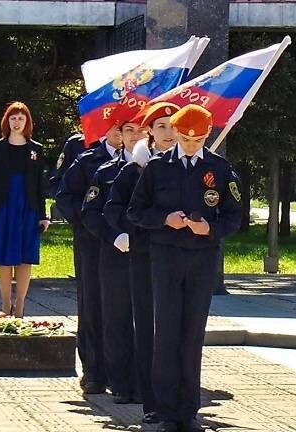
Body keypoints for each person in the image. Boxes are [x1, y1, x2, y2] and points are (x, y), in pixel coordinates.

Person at [127, 104, 244, 432]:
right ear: (176, 132)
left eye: (198, 140)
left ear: (207, 135)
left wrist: (211, 228)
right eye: (186, 138)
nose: (191, 144)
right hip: (165, 256)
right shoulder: (157, 168)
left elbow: (235, 215)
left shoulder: (219, 168)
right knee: (166, 332)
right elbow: (136, 211)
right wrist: (164, 219)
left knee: (193, 333)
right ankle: (166, 412)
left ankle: (188, 411)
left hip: (202, 257)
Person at [105, 101, 178, 425]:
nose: (168, 131)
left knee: (177, 329)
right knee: (148, 328)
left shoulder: (186, 165)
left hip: (179, 256)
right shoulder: (134, 168)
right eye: (161, 126)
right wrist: (120, 235)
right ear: (149, 131)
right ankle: (152, 400)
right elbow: (114, 207)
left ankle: (179, 397)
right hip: (144, 256)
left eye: (173, 125)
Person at [82, 112, 147, 405]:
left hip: (151, 255)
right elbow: (91, 212)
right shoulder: (106, 171)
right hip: (116, 254)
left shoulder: (157, 170)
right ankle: (120, 383)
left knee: (147, 320)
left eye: (139, 130)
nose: (134, 135)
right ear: (120, 134)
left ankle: (145, 381)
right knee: (117, 318)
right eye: (128, 130)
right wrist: (114, 236)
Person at [55, 118, 124, 394]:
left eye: (127, 128)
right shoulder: (86, 159)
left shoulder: (143, 161)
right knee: (93, 303)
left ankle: (122, 371)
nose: (121, 133)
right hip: (92, 242)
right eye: (117, 127)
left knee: (122, 307)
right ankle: (94, 370)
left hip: (126, 244)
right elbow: (63, 194)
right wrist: (86, 221)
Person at [0, 101, 49, 316]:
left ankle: (19, 305)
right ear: (6, 121)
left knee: (24, 257)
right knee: (3, 257)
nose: (16, 122)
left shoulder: (36, 149)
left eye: (21, 118)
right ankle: (4, 304)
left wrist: (43, 215)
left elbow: (40, 184)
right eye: (13, 118)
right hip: (2, 207)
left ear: (27, 122)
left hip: (27, 208)